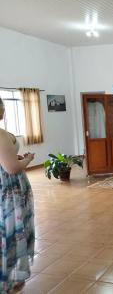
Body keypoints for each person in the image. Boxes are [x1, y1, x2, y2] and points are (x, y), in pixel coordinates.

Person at [0, 97, 35, 292]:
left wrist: (14, 158)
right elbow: (12, 168)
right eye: (3, 107)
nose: (4, 111)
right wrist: (27, 159)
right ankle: (9, 277)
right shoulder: (1, 135)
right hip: (8, 191)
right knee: (11, 231)